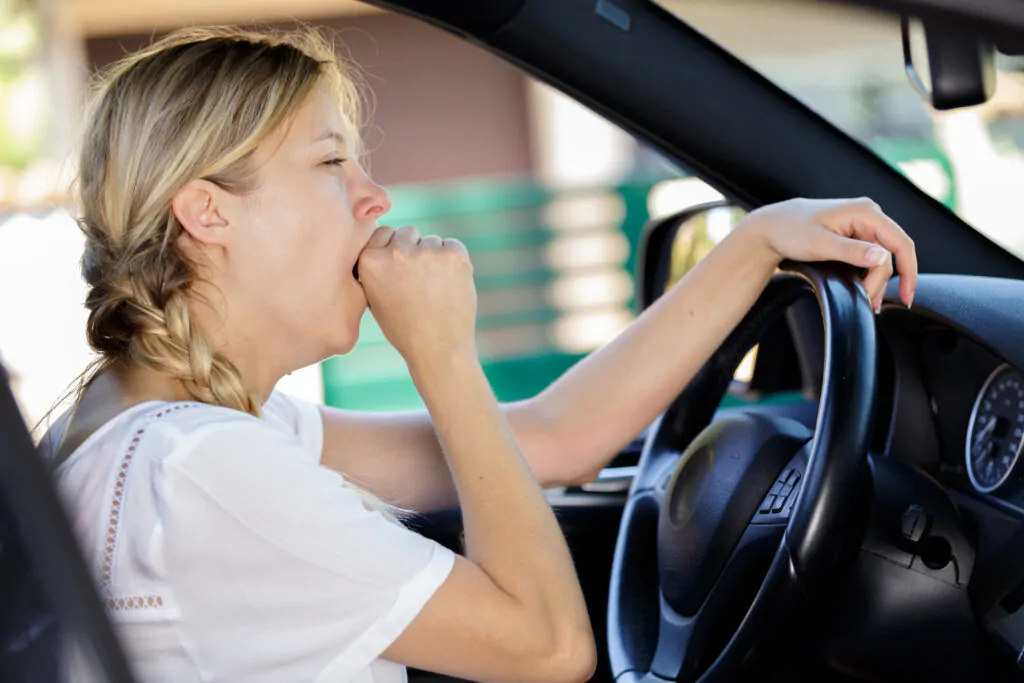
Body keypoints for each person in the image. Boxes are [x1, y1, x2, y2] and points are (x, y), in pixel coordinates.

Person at [41, 26, 917, 683]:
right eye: (331, 162)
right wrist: (443, 356)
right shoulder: (205, 469)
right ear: (210, 214)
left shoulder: (175, 428)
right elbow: (549, 645)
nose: (374, 197)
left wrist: (754, 244)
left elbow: (553, 438)